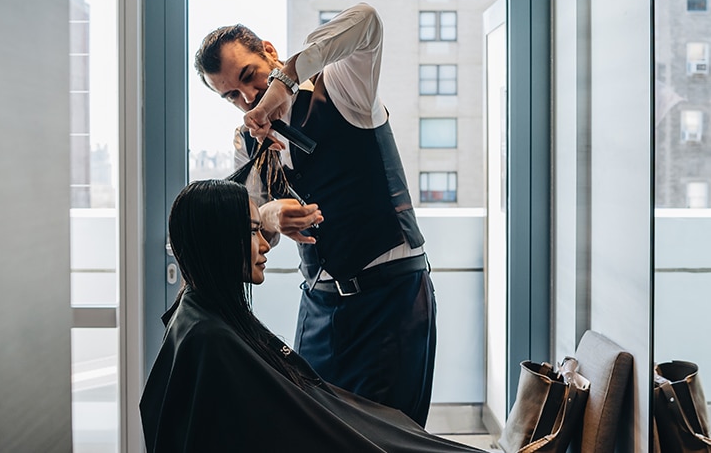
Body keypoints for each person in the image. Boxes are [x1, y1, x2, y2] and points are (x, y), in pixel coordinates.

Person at [194, 2, 436, 426]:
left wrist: (284, 83)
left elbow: (367, 20)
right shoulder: (247, 142)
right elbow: (254, 231)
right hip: (319, 306)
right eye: (231, 94)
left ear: (269, 51)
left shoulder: (343, 87)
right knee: (311, 431)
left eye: (249, 77)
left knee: (388, 438)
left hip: (390, 300)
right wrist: (270, 219)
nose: (247, 97)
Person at [139, 179, 484, 452]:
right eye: (252, 231)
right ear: (218, 238)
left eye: (262, 230)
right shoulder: (211, 338)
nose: (264, 245)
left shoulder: (203, 319)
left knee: (398, 430)